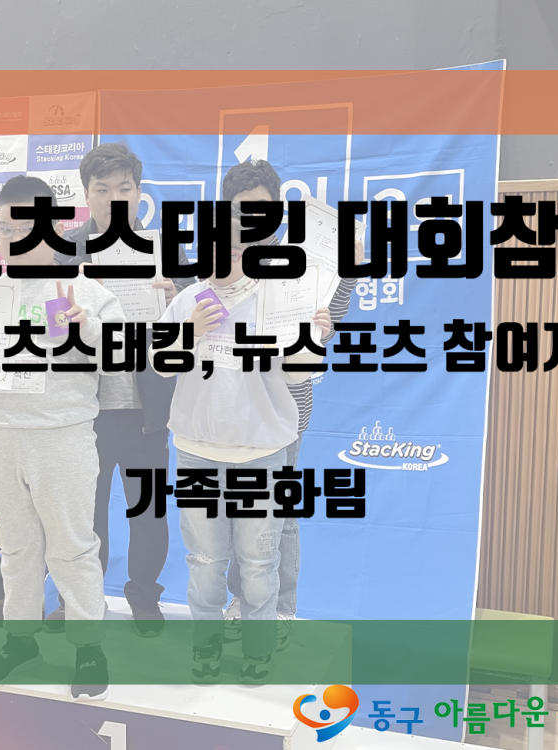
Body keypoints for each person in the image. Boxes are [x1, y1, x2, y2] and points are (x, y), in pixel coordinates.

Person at [0, 175, 127, 700]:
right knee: (16, 547)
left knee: (72, 547)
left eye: (24, 226)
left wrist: (88, 329)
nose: (12, 236)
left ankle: (88, 647)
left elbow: (120, 362)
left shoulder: (87, 292)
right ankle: (20, 640)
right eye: (4, 227)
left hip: (61, 436)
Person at [151, 203, 331, 686]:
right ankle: (206, 647)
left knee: (258, 562)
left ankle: (258, 649)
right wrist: (189, 333)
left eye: (230, 251)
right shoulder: (187, 301)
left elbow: (298, 374)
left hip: (262, 454)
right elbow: (161, 366)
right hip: (197, 452)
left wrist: (314, 337)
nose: (218, 260)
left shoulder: (278, 300)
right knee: (205, 562)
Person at [49, 142, 194, 636]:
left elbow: (193, 329)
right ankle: (80, 601)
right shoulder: (65, 249)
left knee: (148, 512)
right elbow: (49, 331)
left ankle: (144, 597)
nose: (114, 198)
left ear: (139, 192)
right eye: (102, 189)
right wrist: (70, 316)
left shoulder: (164, 248)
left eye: (124, 188)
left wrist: (177, 297)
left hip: (147, 409)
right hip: (83, 411)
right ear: (86, 194)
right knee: (83, 517)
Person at [218, 160, 360, 648]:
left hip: (287, 403)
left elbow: (330, 319)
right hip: (231, 404)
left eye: (261, 209)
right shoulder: (218, 260)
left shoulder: (305, 259)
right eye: (241, 211)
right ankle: (242, 600)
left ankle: (279, 607)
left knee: (277, 510)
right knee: (235, 509)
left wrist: (347, 275)